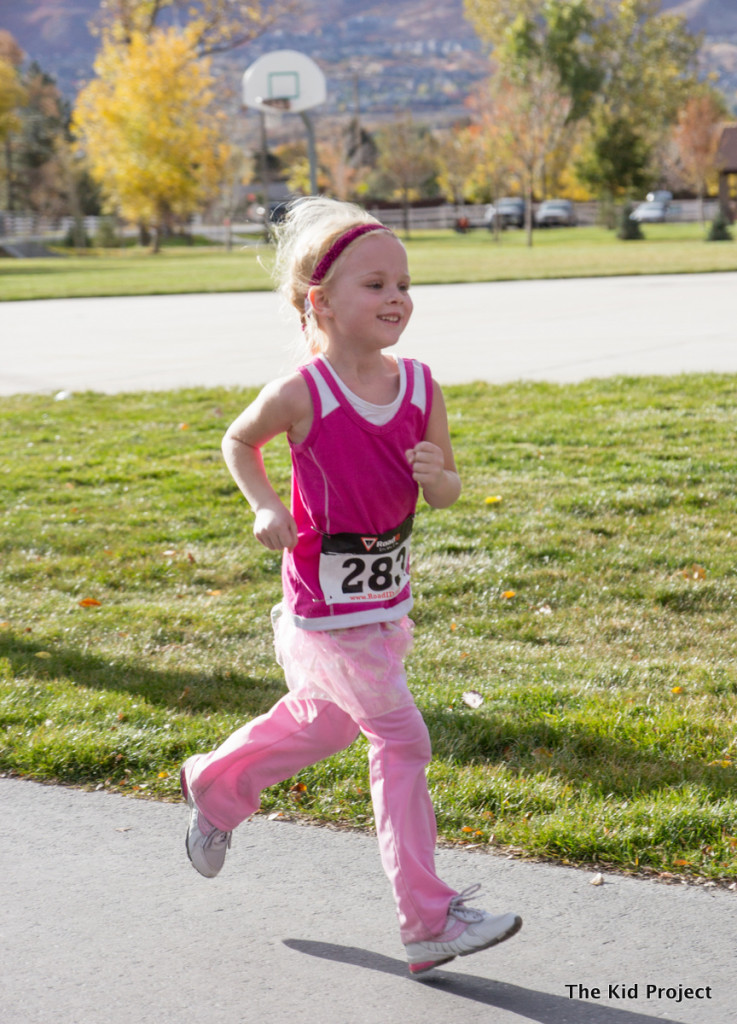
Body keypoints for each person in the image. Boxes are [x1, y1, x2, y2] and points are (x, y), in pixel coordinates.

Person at [179, 196, 522, 975]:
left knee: (327, 726)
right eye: (374, 284)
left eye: (403, 283)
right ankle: (428, 920)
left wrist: (441, 477)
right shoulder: (304, 391)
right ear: (320, 302)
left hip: (384, 604)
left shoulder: (422, 386)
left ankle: (216, 784)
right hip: (326, 610)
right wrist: (266, 503)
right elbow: (239, 439)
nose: (396, 297)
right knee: (402, 742)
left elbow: (444, 493)